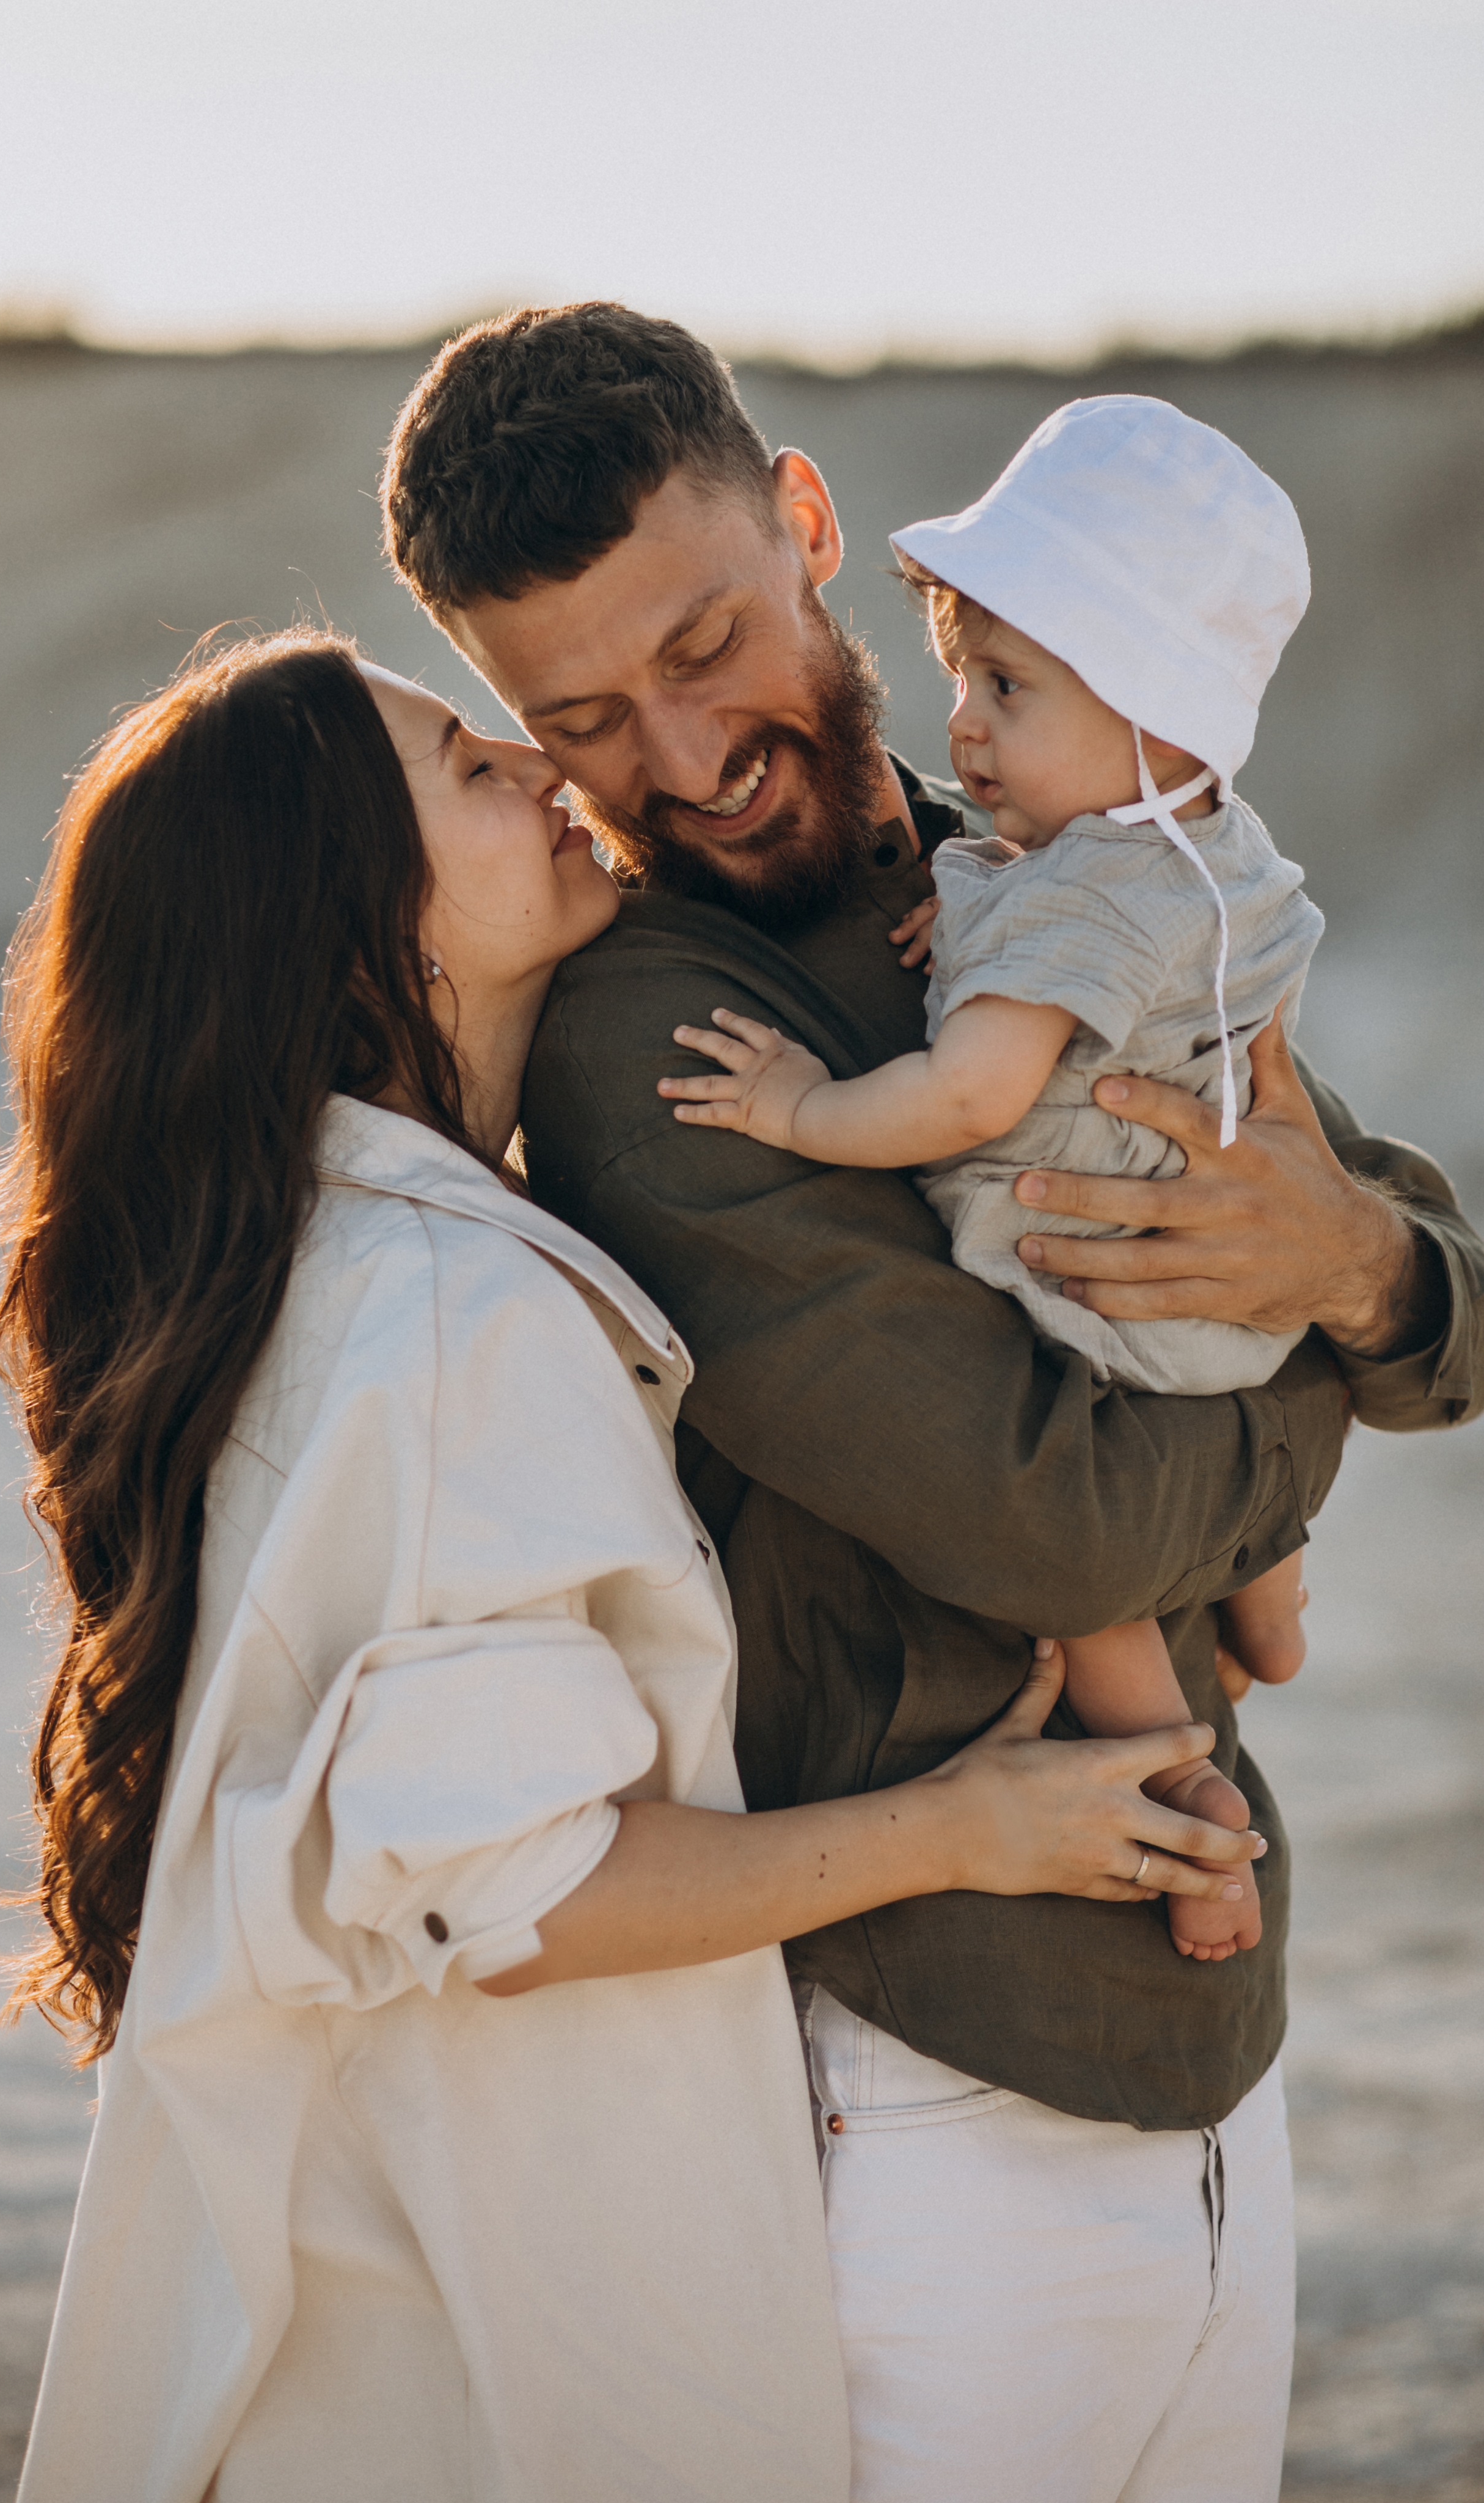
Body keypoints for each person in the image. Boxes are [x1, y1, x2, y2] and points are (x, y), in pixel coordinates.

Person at [381, 303, 1484, 2500]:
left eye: (706, 644)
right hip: (922, 2097)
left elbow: (1424, 1270)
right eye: (581, 718)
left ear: (804, 525)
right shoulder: (657, 1045)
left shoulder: (1067, 840)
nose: (684, 759)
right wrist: (1317, 1365)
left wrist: (1357, 1267)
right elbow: (1056, 1525)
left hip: (1221, 2064)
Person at [0, 629, 1247, 2503]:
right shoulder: (439, 1299)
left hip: (405, 2258)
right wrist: (968, 1831)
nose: (526, 756)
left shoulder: (369, 1247)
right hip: (473, 2313)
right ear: (356, 927)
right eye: (458, 765)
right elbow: (527, 1893)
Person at [660, 395, 1326, 1965]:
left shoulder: (1087, 893)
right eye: (962, 675)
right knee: (1243, 1492)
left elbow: (967, 1087)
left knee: (1089, 1608)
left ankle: (1196, 1819)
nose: (961, 727)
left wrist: (801, 1106)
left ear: (1158, 715)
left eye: (1008, 686)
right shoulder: (1196, 846)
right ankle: (1275, 1603)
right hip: (1243, 1326)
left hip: (1098, 1296)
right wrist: (974, 926)